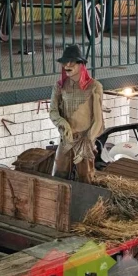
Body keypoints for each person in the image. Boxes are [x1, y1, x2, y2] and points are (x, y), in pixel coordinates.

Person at [49, 44, 103, 183]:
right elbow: (53, 111)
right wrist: (62, 123)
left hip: (84, 139)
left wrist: (87, 143)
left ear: (81, 64)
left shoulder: (94, 86)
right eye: (65, 62)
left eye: (72, 62)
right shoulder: (59, 86)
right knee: (59, 175)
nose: (67, 65)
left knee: (86, 178)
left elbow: (98, 121)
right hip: (66, 140)